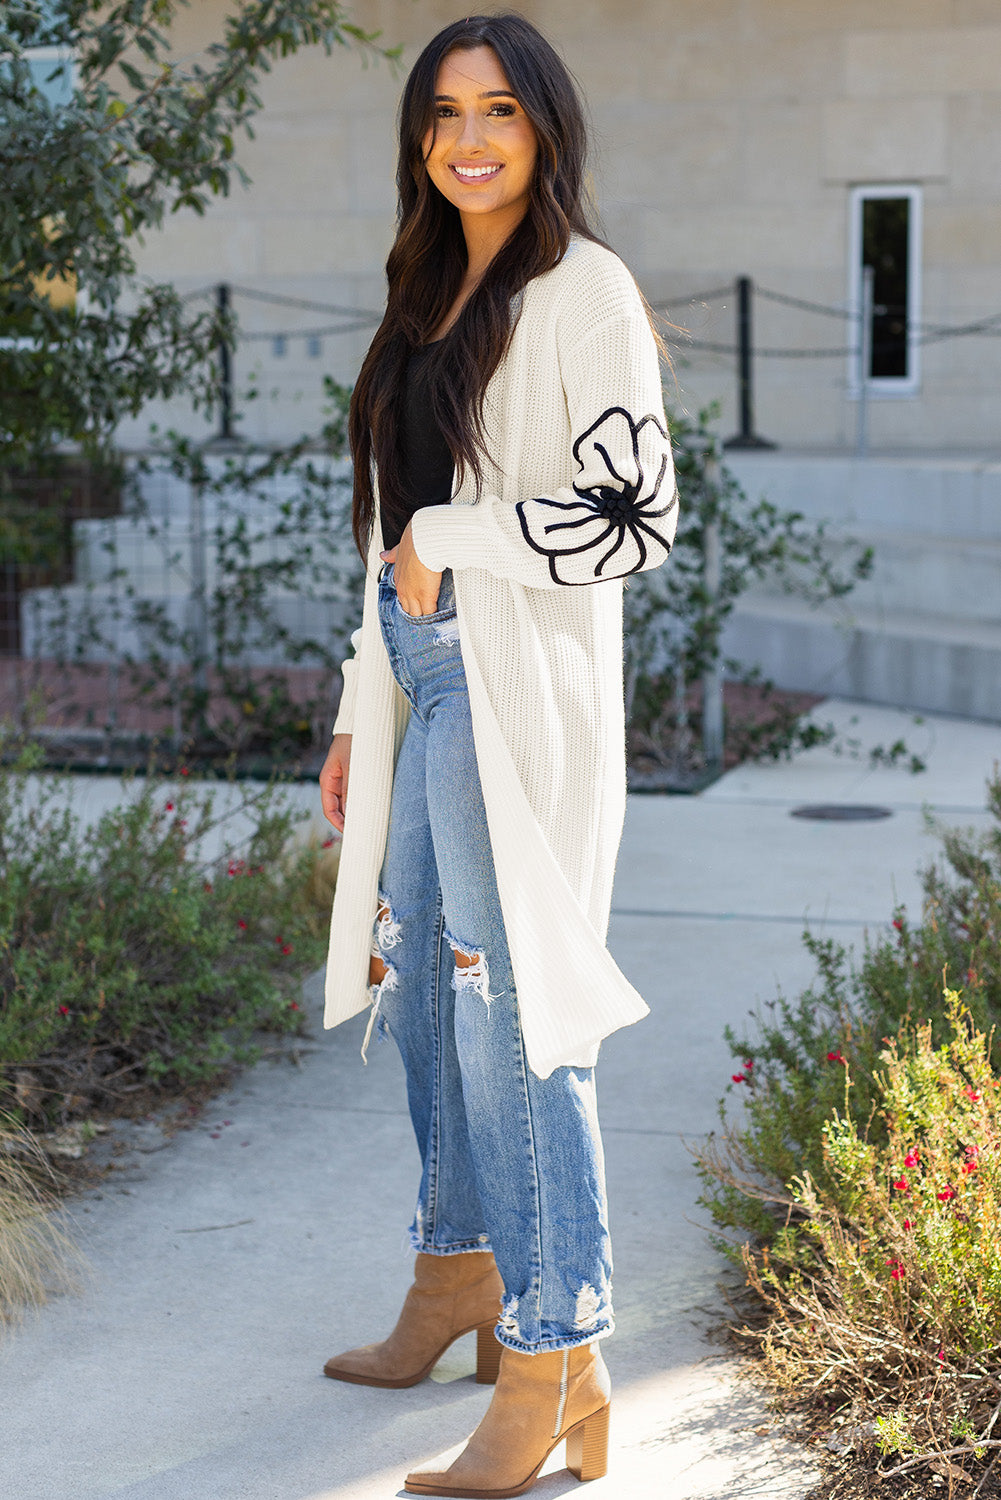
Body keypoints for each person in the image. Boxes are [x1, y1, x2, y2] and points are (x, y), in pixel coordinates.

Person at [318, 14, 677, 1497]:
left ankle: (558, 1354)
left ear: (544, 132)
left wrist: (455, 539)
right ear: (421, 137)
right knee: (418, 1000)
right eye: (445, 113)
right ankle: (456, 1277)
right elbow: (385, 534)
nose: (469, 139)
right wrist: (358, 714)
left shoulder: (582, 289)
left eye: (500, 114)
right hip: (417, 685)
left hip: (509, 689)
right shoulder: (423, 286)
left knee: (513, 1016)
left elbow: (634, 519)